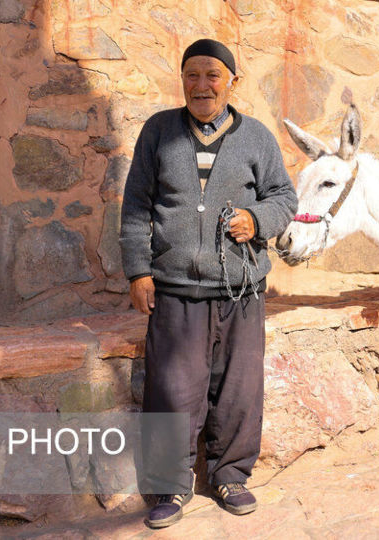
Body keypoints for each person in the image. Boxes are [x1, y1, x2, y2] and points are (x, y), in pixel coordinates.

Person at [120, 38, 297, 529]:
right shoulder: (158, 131)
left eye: (213, 75)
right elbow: (136, 204)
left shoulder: (257, 138)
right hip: (174, 289)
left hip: (240, 290)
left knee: (238, 390)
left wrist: (256, 218)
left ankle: (231, 477)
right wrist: (138, 270)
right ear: (182, 81)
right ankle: (169, 490)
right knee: (171, 391)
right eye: (192, 75)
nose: (202, 85)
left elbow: (284, 197)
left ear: (231, 81)